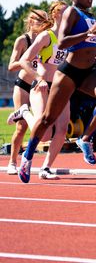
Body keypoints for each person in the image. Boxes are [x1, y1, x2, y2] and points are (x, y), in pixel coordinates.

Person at [18, 0, 96, 183]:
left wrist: (92, 51)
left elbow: (84, 45)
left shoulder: (90, 16)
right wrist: (88, 33)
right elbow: (62, 43)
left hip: (88, 72)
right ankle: (27, 157)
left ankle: (85, 139)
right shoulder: (72, 12)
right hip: (69, 73)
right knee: (47, 119)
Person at [8, 2, 69, 179]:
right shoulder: (28, 39)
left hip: (58, 85)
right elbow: (19, 63)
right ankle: (12, 161)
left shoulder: (67, 37)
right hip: (28, 83)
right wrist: (37, 73)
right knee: (26, 129)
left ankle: (46, 168)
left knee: (62, 128)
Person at [5, 11, 44, 175]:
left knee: (43, 124)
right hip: (23, 85)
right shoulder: (23, 40)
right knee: (22, 127)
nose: (43, 23)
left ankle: (43, 164)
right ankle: (12, 162)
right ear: (30, 21)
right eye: (39, 20)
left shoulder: (47, 39)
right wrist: (26, 62)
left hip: (39, 86)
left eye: (45, 20)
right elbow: (11, 65)